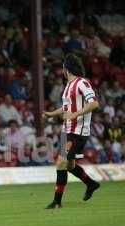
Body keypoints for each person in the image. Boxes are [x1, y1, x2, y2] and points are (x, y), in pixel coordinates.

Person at [43, 54, 100, 209]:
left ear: (66, 69)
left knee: (61, 163)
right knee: (69, 165)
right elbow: (66, 108)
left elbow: (94, 103)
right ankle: (91, 184)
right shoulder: (68, 86)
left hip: (77, 131)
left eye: (62, 67)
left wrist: (74, 115)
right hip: (66, 131)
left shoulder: (82, 83)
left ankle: (57, 202)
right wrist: (51, 113)